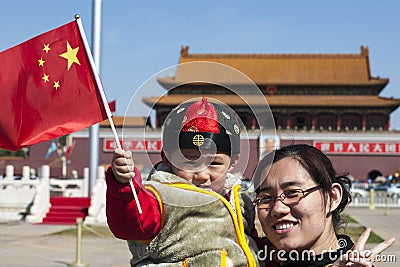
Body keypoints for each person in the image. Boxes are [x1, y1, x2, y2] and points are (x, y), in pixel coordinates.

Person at [106, 96, 259, 266]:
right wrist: (124, 186)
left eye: (214, 163)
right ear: (167, 158)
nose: (201, 174)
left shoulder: (241, 202)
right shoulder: (159, 198)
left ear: (233, 161)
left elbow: (250, 244)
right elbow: (129, 224)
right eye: (190, 161)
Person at [252, 144, 396, 267]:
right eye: (266, 198)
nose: (277, 208)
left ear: (332, 197)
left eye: (292, 193)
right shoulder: (251, 257)